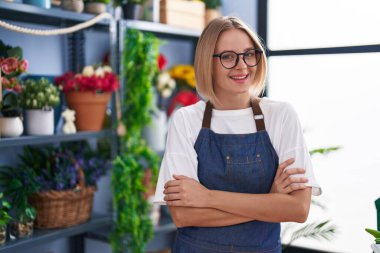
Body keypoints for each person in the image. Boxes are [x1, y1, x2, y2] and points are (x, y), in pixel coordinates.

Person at [154, 16, 321, 253]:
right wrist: (269, 202)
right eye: (228, 57)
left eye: (249, 54)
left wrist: (207, 198)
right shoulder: (186, 120)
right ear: (207, 62)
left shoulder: (281, 115)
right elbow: (183, 215)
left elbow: (297, 209)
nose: (242, 65)